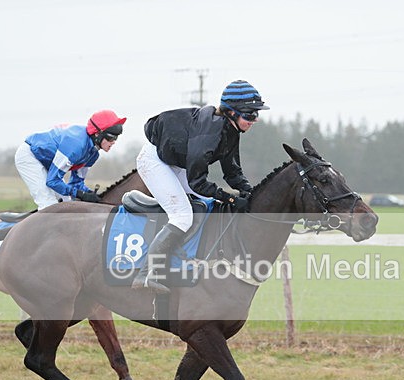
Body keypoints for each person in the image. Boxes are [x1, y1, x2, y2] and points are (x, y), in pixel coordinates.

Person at [132, 80, 269, 294]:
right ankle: (145, 274)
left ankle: (186, 258)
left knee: (203, 205)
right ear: (231, 113)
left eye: (256, 115)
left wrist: (251, 193)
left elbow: (232, 172)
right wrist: (230, 198)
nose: (255, 120)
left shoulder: (231, 131)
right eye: (250, 115)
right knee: (182, 216)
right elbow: (198, 182)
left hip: (176, 161)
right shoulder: (209, 134)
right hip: (155, 160)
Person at [15, 110, 126, 210]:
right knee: (48, 204)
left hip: (48, 163)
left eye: (116, 138)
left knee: (67, 203)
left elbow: (76, 183)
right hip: (30, 156)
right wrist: (80, 194)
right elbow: (52, 181)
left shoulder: (93, 155)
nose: (114, 142)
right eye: (111, 137)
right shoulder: (75, 146)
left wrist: (89, 193)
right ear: (97, 134)